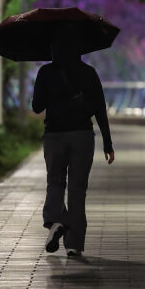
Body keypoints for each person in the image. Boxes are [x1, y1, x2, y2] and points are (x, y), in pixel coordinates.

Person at [32, 26, 115, 258]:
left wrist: (50, 94)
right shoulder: (88, 73)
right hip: (82, 136)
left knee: (55, 182)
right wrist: (108, 143)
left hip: (54, 136)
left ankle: (56, 220)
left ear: (53, 48)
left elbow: (37, 107)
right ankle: (74, 245)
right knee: (78, 190)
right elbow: (100, 109)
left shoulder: (45, 72)